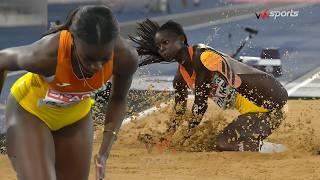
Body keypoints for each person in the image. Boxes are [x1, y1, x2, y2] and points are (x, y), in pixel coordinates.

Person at [0, 5, 138, 180]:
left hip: (75, 118)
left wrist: (104, 152)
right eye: (89, 59)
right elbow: (2, 59)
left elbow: (118, 99)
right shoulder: (46, 55)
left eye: (104, 59)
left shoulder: (125, 57)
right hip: (30, 112)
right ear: (74, 40)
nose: (97, 67)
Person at [130, 19, 288, 152]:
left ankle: (282, 152)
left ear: (182, 39)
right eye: (158, 47)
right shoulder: (180, 78)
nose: (162, 48)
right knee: (219, 142)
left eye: (165, 42)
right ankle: (271, 148)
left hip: (271, 101)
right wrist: (167, 137)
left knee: (224, 143)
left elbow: (200, 105)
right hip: (253, 111)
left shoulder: (202, 57)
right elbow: (179, 112)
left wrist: (182, 139)